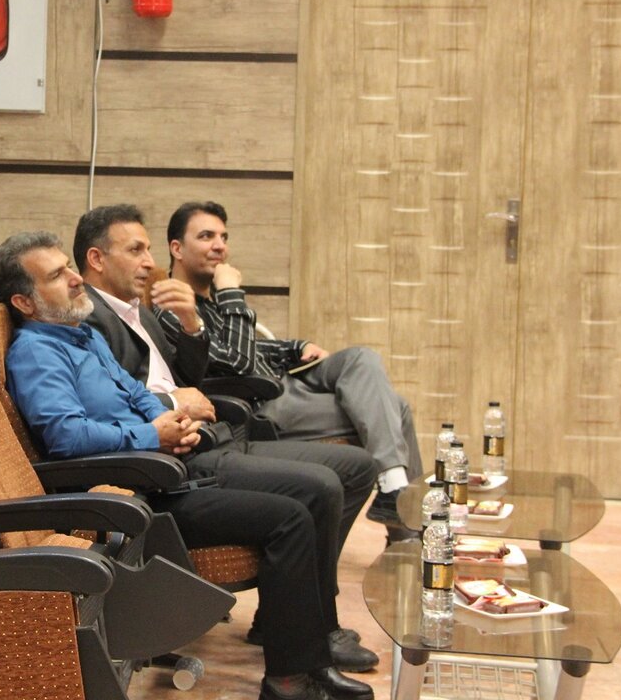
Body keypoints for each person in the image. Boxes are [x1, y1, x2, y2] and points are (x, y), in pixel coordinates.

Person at [0, 231, 376, 700]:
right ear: (24, 301)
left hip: (162, 468)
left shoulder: (80, 333)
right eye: (56, 275)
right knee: (291, 517)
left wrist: (170, 422)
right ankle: (287, 689)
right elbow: (66, 437)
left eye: (68, 266)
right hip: (129, 497)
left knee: (312, 497)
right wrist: (151, 436)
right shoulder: (36, 351)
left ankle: (309, 666)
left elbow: (135, 392)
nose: (73, 278)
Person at [73, 205, 378, 670]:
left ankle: (294, 618)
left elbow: (190, 374)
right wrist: (173, 402)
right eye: (136, 250)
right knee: (319, 487)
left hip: (215, 432)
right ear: (97, 259)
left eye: (148, 249)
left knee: (356, 467)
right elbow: (113, 402)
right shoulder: (91, 319)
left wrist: (192, 328)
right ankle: (310, 630)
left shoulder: (137, 311)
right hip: (177, 455)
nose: (148, 262)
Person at [161, 201, 425, 534]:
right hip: (261, 404)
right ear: (177, 248)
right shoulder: (174, 308)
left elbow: (250, 348)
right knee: (395, 408)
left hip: (289, 380)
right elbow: (237, 363)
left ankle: (397, 500)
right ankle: (406, 528)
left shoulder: (211, 302)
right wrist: (231, 292)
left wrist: (295, 347)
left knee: (361, 357)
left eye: (223, 237)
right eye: (206, 236)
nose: (220, 246)